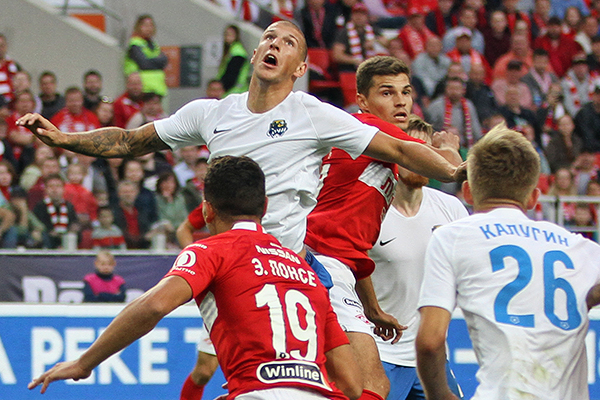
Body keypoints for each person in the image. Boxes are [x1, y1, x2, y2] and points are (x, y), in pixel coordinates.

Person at [29, 155, 363, 400]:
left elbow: (154, 305)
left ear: (206, 210)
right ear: (264, 206)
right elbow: (351, 384)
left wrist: (85, 362)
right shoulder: (305, 271)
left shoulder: (209, 250)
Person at [304, 56, 462, 400]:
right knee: (370, 386)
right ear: (362, 101)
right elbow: (419, 154)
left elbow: (355, 245)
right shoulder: (367, 129)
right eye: (387, 93)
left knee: (347, 386)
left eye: (406, 92)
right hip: (322, 265)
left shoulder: (374, 151)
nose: (400, 101)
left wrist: (372, 309)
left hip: (331, 266)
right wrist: (455, 163)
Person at [415, 123, 600, 400]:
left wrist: (440, 395)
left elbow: (430, 342)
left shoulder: (452, 237)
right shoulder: (579, 247)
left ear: (468, 192)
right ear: (534, 198)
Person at [367, 115, 468, 400]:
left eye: (428, 151)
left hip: (430, 357)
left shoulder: (451, 209)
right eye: (414, 149)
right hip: (381, 353)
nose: (423, 159)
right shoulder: (370, 210)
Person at [123, 15, 169, 97]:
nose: (149, 29)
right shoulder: (135, 44)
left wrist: (152, 61)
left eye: (151, 26)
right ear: (138, 27)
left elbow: (164, 60)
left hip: (158, 88)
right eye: (145, 25)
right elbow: (144, 64)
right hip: (143, 89)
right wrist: (156, 62)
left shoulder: (154, 45)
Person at [32, 173, 79, 249]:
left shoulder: (69, 206)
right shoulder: (40, 206)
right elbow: (40, 226)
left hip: (66, 241)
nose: (54, 190)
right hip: (47, 242)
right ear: (45, 189)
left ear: (63, 189)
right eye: (51, 186)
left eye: (58, 186)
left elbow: (73, 223)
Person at [217, 25, 250, 96]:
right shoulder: (232, 50)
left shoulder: (237, 52)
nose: (228, 37)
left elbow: (232, 74)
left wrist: (223, 88)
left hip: (234, 91)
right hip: (234, 92)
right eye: (226, 34)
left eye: (231, 34)